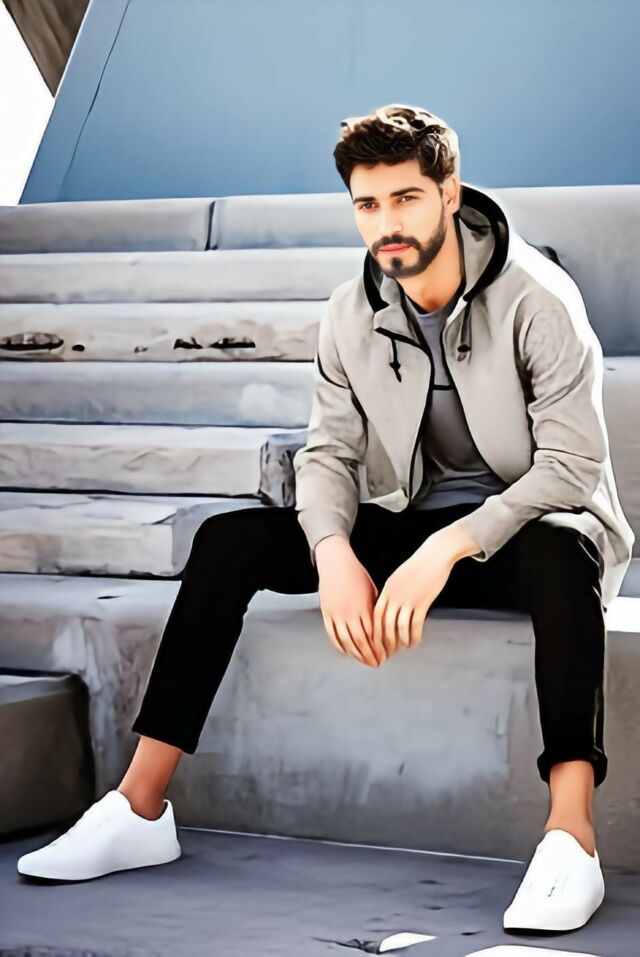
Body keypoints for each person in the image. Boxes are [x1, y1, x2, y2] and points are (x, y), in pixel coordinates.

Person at [17, 105, 633, 935]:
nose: (387, 224)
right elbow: (328, 454)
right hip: (401, 527)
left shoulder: (538, 299)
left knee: (568, 553)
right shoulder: (351, 311)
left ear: (450, 193)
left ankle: (571, 836)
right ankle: (140, 805)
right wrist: (334, 551)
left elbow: (572, 467)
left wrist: (448, 548)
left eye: (406, 198)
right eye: (367, 205)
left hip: (517, 535)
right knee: (227, 540)